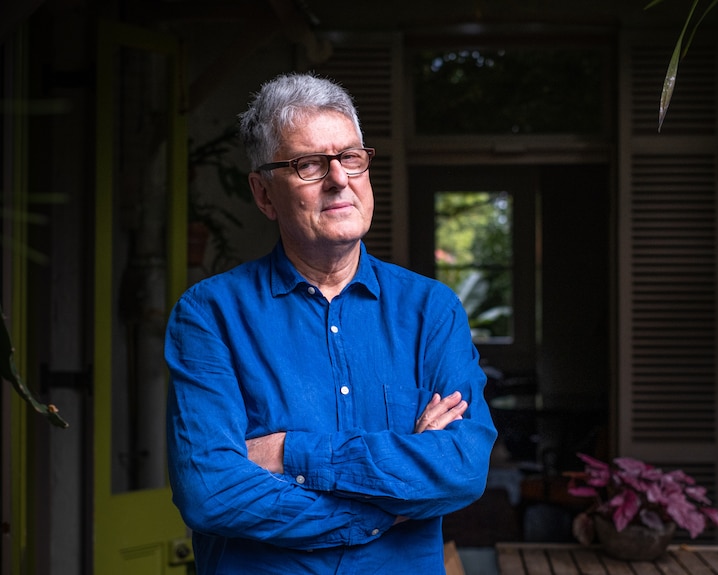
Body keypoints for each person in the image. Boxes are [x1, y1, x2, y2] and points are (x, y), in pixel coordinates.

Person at [165, 72, 497, 574]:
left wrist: (289, 453)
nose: (339, 178)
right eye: (309, 165)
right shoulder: (210, 315)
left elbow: (462, 468)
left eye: (350, 157)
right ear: (264, 194)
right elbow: (210, 492)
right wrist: (380, 508)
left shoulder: (432, 310)